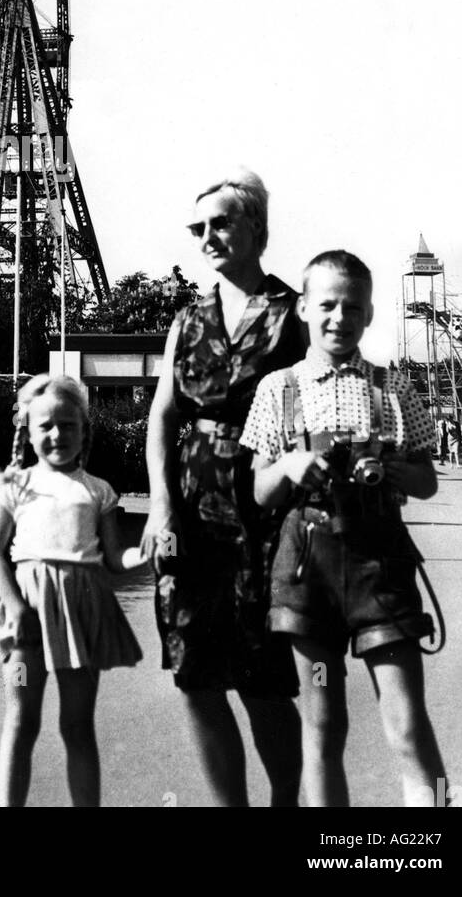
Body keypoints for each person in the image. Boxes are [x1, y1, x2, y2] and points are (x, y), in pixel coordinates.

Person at [242, 250, 446, 807]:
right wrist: (289, 465)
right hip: (308, 568)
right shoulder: (278, 388)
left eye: (352, 306)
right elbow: (260, 491)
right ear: (304, 308)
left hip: (380, 566)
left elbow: (426, 480)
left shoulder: (391, 387)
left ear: (370, 313)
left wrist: (386, 464)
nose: (339, 317)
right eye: (327, 304)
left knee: (407, 725)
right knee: (323, 727)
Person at [140, 167, 305, 807]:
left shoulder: (294, 314)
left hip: (265, 515)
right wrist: (160, 508)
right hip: (189, 515)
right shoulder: (188, 317)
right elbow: (162, 415)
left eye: (221, 223)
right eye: (198, 228)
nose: (207, 236)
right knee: (195, 674)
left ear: (256, 228)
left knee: (263, 680)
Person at [0, 373, 145, 807]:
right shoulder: (14, 485)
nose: (58, 434)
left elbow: (114, 558)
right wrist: (14, 607)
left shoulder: (99, 492)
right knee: (20, 721)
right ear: (28, 433)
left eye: (68, 425)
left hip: (82, 614)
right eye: (46, 426)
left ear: (83, 429)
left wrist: (144, 556)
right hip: (26, 615)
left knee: (77, 725)